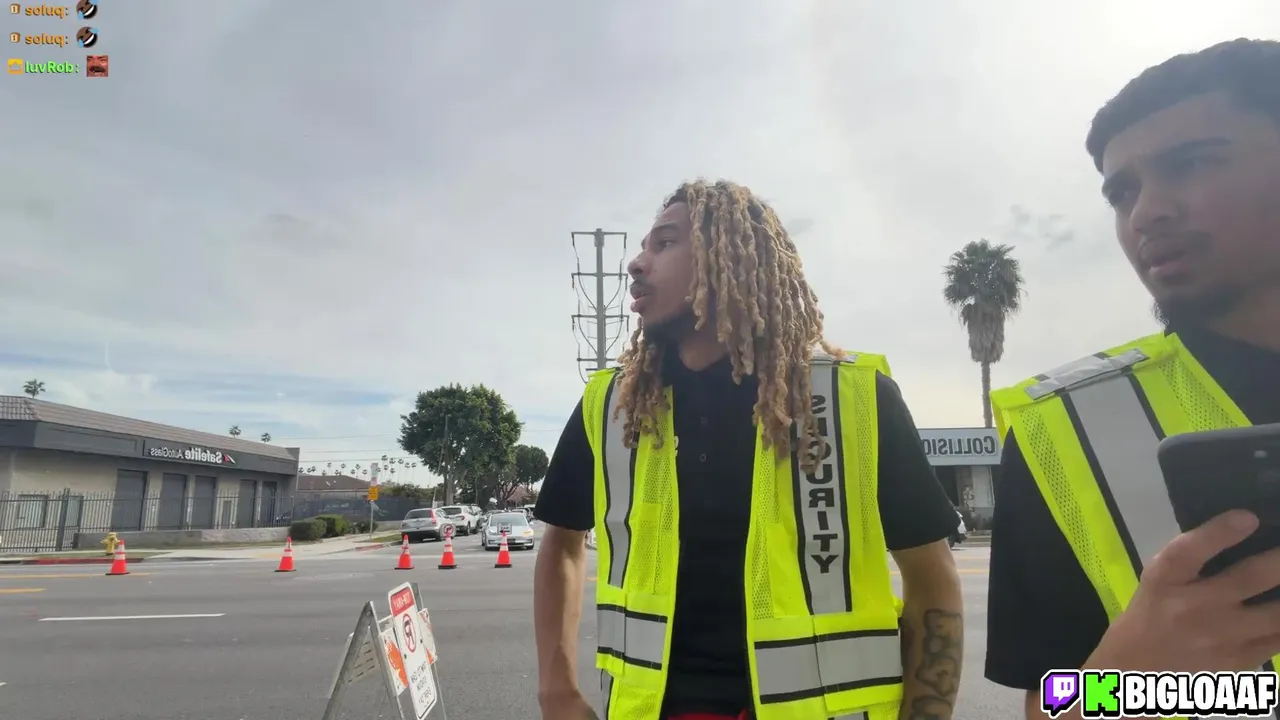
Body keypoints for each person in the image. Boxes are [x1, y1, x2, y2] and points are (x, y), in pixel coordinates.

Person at [533, 179, 964, 720]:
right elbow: (562, 544)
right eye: (643, 247)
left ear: (731, 259)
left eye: (664, 243)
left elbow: (931, 577)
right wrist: (555, 690)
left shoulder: (855, 399)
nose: (637, 264)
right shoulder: (613, 404)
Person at [984, 38, 1280, 720]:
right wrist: (1127, 676)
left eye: (1191, 162)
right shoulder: (1069, 429)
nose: (1146, 213)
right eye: (1123, 193)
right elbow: (1049, 701)